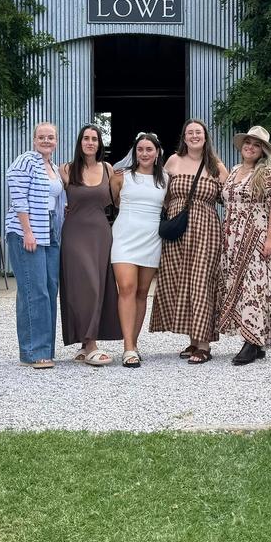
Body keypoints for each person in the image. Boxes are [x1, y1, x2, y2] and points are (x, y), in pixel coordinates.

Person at [217, 125, 271, 363]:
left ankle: (251, 342)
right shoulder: (234, 171)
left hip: (257, 237)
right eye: (248, 142)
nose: (250, 147)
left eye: (256, 145)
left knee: (254, 287)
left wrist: (270, 238)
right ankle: (255, 341)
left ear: (263, 150)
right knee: (241, 287)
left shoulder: (268, 172)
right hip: (233, 239)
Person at [150, 118, 228, 364]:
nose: (194, 136)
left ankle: (203, 345)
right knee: (180, 281)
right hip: (177, 230)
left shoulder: (216, 166)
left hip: (206, 230)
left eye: (198, 132)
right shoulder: (173, 161)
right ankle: (193, 340)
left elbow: (230, 199)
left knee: (201, 281)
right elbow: (160, 193)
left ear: (205, 137)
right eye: (190, 133)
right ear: (184, 137)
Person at [59, 124, 122, 365]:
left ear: (99, 144)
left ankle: (86, 345)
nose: (90, 142)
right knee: (85, 287)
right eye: (86, 138)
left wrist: (119, 185)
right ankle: (92, 343)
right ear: (80, 142)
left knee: (99, 286)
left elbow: (116, 202)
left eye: (94, 139)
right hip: (74, 234)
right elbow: (55, 198)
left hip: (101, 233)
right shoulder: (66, 169)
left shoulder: (108, 168)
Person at [5, 122, 65, 369]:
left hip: (50, 231)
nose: (46, 141)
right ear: (34, 140)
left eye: (50, 137)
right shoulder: (26, 161)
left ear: (56, 141)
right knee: (34, 289)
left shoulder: (53, 167)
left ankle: (45, 349)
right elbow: (18, 195)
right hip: (28, 231)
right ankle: (34, 352)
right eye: (41, 137)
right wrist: (27, 231)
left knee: (50, 288)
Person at [109, 132, 168, 368]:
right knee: (126, 288)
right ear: (135, 152)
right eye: (140, 149)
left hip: (152, 238)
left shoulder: (165, 179)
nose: (144, 153)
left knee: (142, 292)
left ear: (157, 152)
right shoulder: (121, 176)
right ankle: (128, 348)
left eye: (149, 149)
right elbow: (112, 201)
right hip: (125, 237)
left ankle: (133, 343)